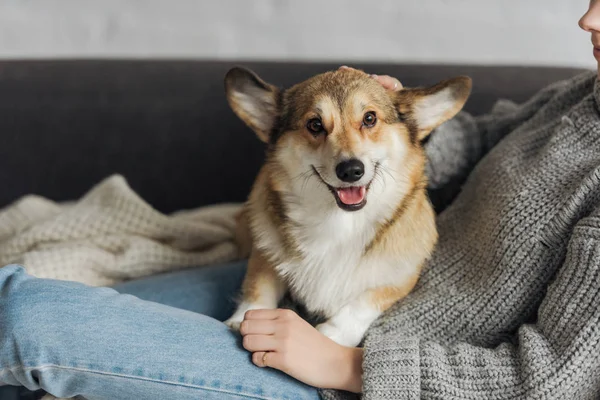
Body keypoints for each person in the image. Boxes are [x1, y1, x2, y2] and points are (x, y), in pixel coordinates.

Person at [3, 2, 600, 399]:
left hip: (371, 369)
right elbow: (478, 141)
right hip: (317, 285)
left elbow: (550, 382)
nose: (586, 18)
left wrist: (346, 367)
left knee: (24, 318)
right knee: (45, 329)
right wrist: (386, 124)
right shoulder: (578, 98)